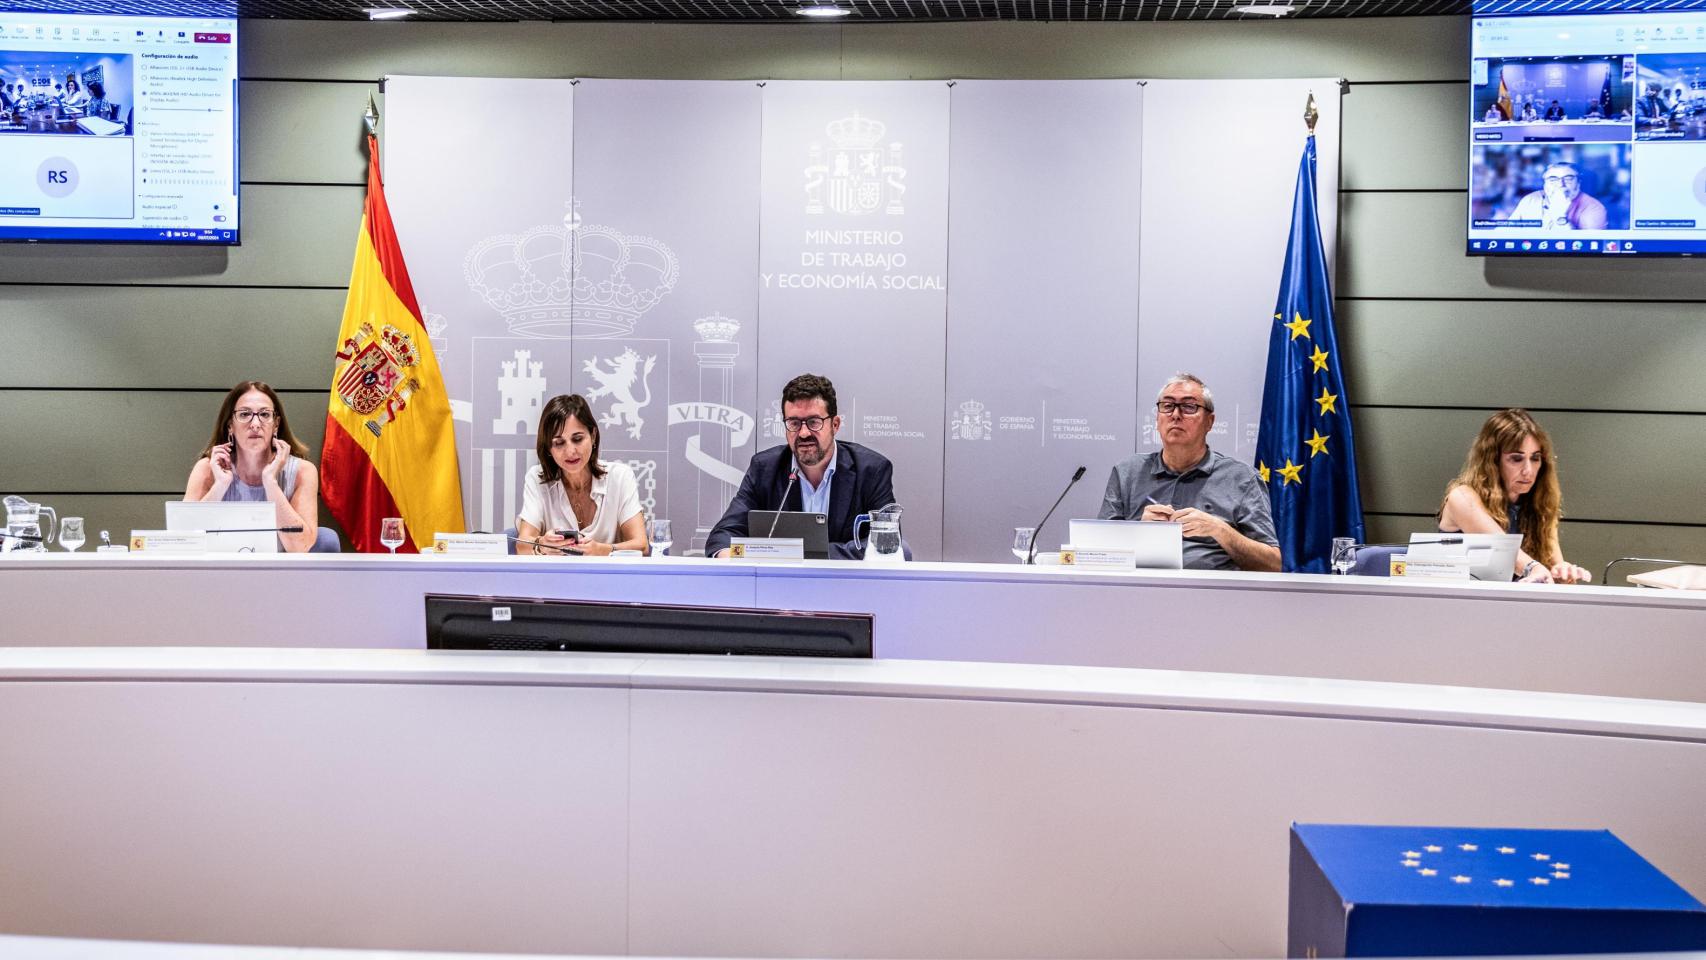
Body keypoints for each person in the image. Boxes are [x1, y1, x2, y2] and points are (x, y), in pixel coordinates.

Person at [1098, 373, 1280, 572]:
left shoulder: (1242, 478)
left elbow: (1272, 564)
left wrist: (1220, 530)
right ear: (1157, 419)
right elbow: (1097, 552)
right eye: (1167, 406)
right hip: (1138, 591)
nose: (1175, 415)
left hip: (1214, 595)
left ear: (1209, 422)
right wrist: (1138, 530)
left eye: (1188, 407)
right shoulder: (1127, 472)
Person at [706, 373, 896, 560]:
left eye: (814, 422)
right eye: (794, 423)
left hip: (846, 585)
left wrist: (801, 555)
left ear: (835, 425)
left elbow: (887, 543)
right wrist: (731, 556)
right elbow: (723, 536)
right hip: (780, 585)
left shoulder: (871, 470)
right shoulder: (764, 468)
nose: (804, 433)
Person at [1438, 409, 1590, 584]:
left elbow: (1553, 569)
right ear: (1493, 460)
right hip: (1459, 605)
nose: (1528, 470)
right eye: (1516, 459)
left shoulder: (1540, 507)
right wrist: (1535, 568)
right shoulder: (1461, 497)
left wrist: (1564, 571)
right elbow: (1505, 550)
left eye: (1535, 458)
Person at [183, 380, 320, 553]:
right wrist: (220, 486)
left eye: (264, 415)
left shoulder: (303, 471)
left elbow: (299, 547)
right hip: (220, 575)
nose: (255, 424)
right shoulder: (207, 469)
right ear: (230, 425)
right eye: (244, 414)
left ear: (276, 424)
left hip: (279, 577)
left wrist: (270, 482)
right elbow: (184, 541)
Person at [516, 393, 648, 557]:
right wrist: (541, 545)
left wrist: (601, 550)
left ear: (593, 436)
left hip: (611, 580)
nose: (570, 452)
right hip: (554, 580)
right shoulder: (537, 478)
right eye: (559, 443)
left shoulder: (620, 476)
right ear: (549, 448)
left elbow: (641, 546)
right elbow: (522, 546)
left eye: (577, 439)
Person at [1506, 161, 1608, 231]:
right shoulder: (1531, 199)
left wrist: (1560, 216)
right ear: (1544, 183)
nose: (1560, 184)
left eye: (1568, 178)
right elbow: (1507, 232)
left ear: (1578, 182)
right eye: (1553, 179)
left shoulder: (1594, 208)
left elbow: (1583, 251)